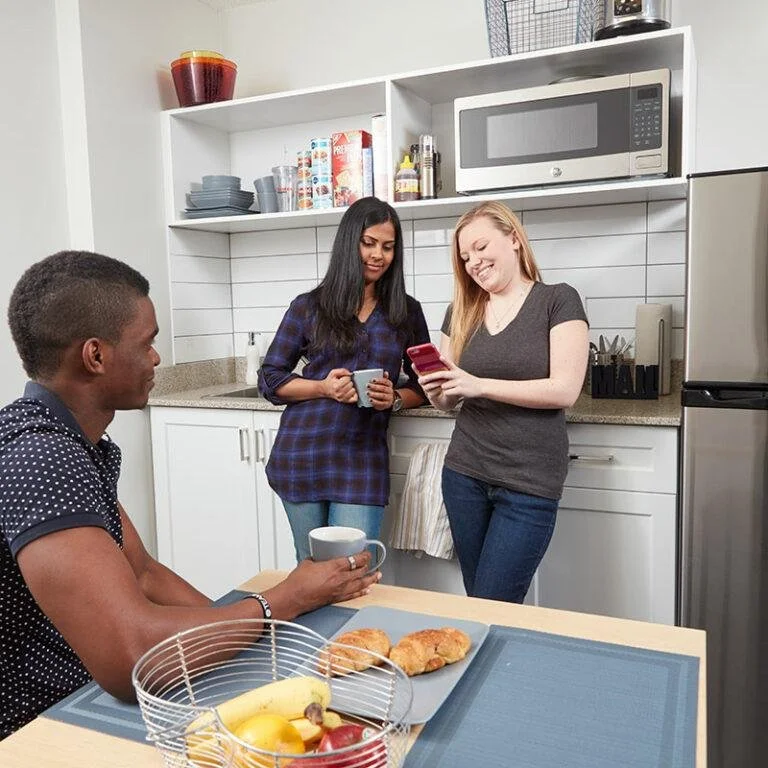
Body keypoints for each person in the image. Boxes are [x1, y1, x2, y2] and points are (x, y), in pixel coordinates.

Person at [0, 251, 380, 740]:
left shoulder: (68, 441)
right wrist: (280, 602)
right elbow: (131, 656)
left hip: (73, 691)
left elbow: (144, 572)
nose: (156, 357)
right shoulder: (41, 458)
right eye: (147, 343)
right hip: (36, 724)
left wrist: (251, 641)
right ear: (95, 356)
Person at [417, 201, 589, 604]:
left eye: (480, 247)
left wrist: (479, 385)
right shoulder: (460, 311)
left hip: (528, 483)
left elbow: (565, 390)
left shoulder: (558, 300)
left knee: (495, 604)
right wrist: (437, 391)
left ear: (513, 238)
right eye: (465, 256)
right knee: (480, 602)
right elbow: (450, 400)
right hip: (464, 476)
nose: (473, 262)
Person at [259, 197, 430, 562]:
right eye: (368, 243)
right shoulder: (308, 306)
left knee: (354, 572)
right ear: (349, 242)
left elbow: (424, 385)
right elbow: (270, 379)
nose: (378, 255)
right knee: (310, 572)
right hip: (302, 454)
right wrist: (323, 387)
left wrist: (394, 398)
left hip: (361, 459)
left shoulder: (406, 311)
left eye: (387, 247)